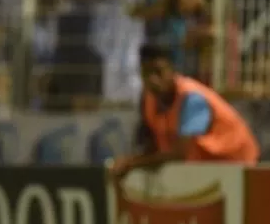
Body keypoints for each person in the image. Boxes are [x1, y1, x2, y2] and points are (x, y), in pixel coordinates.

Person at [110, 42, 259, 180]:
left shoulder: (192, 99)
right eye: (147, 73)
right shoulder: (148, 99)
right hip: (207, 168)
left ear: (172, 71)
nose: (153, 79)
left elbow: (180, 154)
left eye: (158, 72)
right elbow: (151, 146)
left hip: (239, 165)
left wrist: (131, 164)